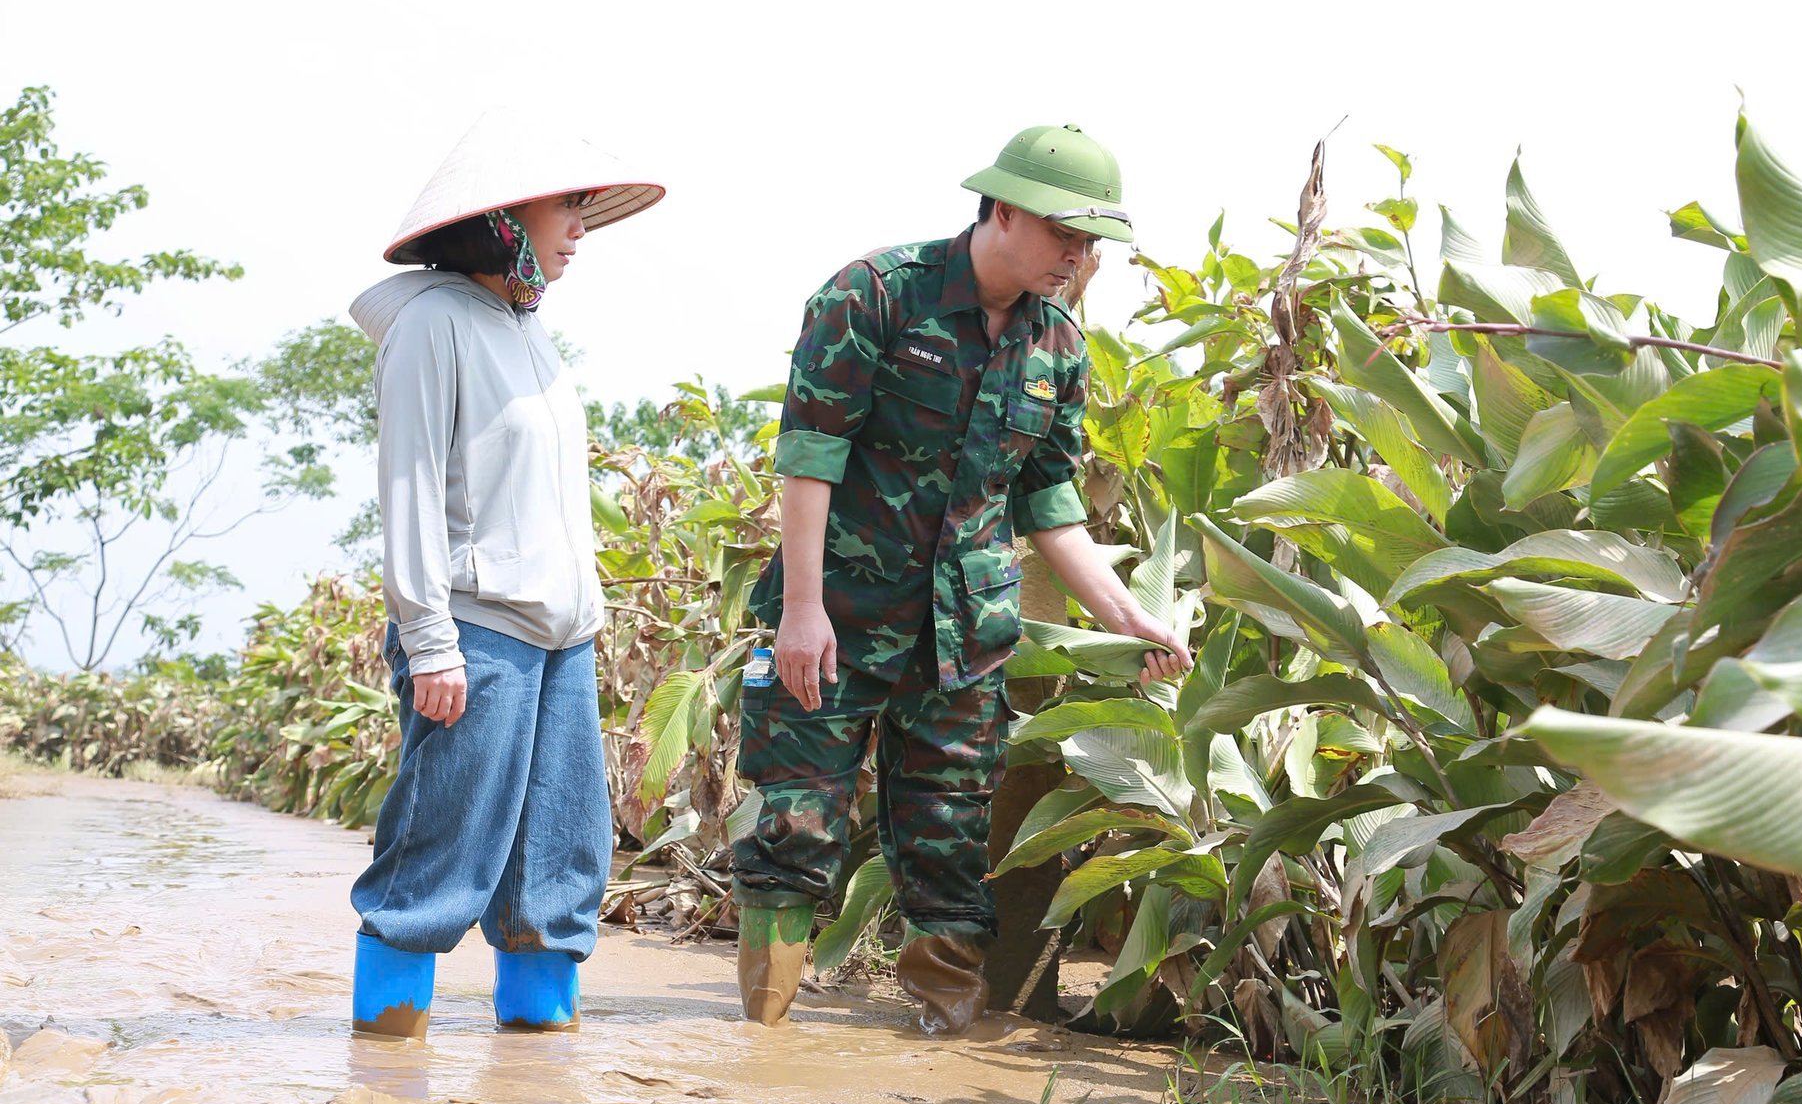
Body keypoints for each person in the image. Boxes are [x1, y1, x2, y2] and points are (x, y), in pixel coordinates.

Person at [732, 124, 1193, 1034]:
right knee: (795, 825)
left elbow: (1050, 506)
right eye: (1064, 232)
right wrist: (801, 610)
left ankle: (942, 1040)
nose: (1078, 255)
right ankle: (762, 1044)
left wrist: (1126, 617)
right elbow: (811, 456)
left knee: (949, 848)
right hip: (837, 620)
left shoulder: (1058, 347)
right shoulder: (874, 296)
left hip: (962, 644)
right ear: (1004, 209)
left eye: (1090, 240)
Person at [344, 111, 664, 1039]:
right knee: (440, 850)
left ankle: (536, 1061)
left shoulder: (528, 331)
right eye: (567, 208)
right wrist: (428, 640)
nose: (580, 229)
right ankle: (386, 1056)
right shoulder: (432, 323)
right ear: (502, 216)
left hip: (563, 639)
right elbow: (409, 489)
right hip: (474, 632)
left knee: (559, 863)